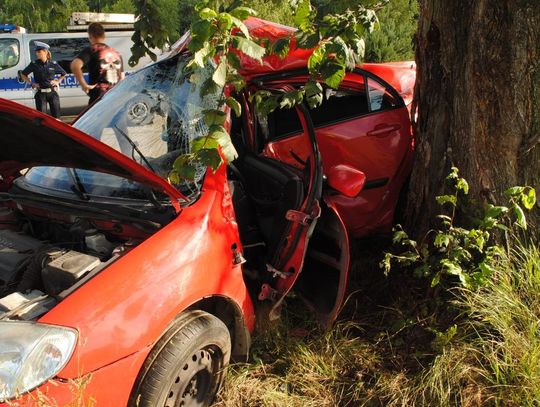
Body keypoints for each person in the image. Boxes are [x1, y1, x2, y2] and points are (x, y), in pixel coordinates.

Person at [71, 22, 125, 105]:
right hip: (115, 98)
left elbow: (75, 65)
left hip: (99, 99)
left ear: (90, 36)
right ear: (104, 35)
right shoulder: (116, 53)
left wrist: (84, 85)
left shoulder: (92, 50)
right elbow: (122, 78)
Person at [20, 41, 66, 118]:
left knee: (57, 117)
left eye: (39, 52)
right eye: (36, 52)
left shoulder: (53, 64)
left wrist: (58, 81)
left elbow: (63, 74)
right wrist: (32, 83)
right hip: (41, 94)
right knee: (41, 117)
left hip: (52, 93)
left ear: (45, 52)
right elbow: (23, 74)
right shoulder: (34, 64)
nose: (37, 53)